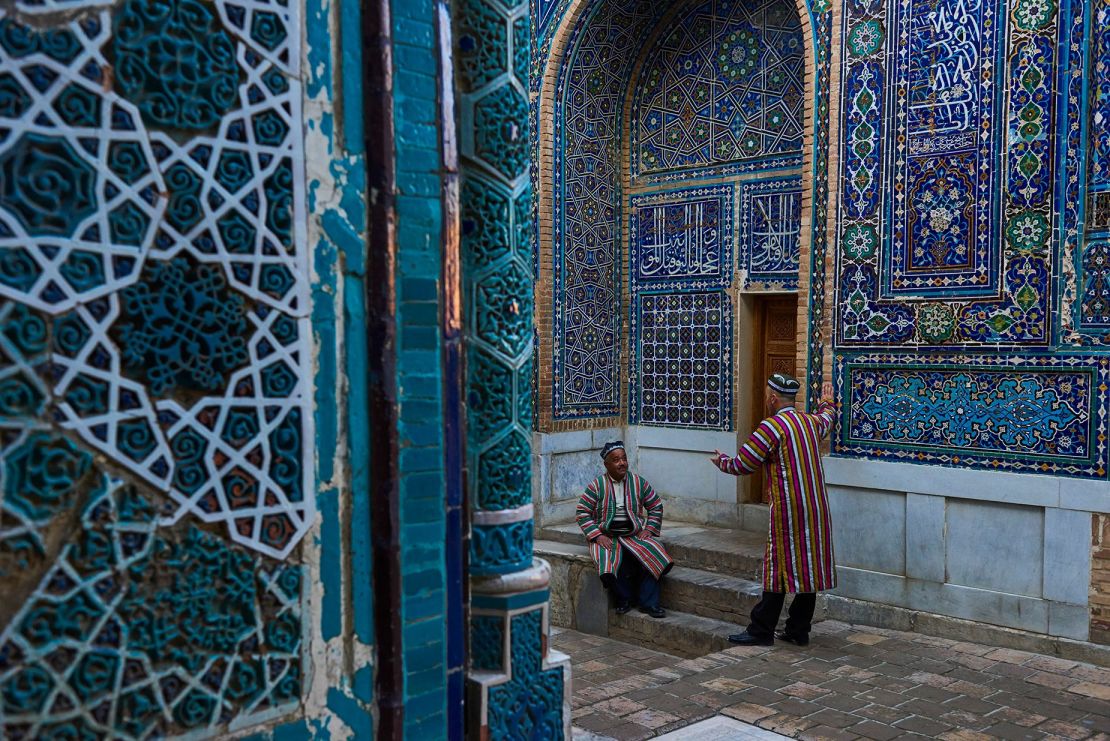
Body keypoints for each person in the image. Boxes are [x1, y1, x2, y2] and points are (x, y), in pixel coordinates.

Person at [710, 372, 836, 646]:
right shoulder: (810, 422)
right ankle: (797, 630)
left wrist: (723, 462)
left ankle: (761, 629)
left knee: (777, 566)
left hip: (788, 510)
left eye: (768, 395)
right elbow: (828, 418)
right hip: (816, 508)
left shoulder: (772, 428)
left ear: (773, 398)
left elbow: (744, 463)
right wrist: (827, 402)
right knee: (808, 566)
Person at [577, 441, 673, 618]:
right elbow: (582, 513)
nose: (621, 463)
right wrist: (597, 536)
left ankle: (648, 603)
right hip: (607, 536)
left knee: (655, 550)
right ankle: (624, 599)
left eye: (624, 459)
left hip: (634, 535)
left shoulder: (638, 482)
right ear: (606, 465)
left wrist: (649, 530)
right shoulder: (596, 486)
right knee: (608, 559)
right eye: (616, 460)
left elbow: (655, 505)